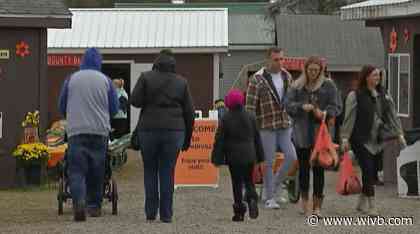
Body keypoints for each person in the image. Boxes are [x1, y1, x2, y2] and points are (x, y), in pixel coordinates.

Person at [131, 52, 194, 223]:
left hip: (148, 129)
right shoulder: (181, 82)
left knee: (150, 170)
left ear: (156, 64)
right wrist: (187, 139)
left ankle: (150, 212)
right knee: (167, 171)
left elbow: (135, 101)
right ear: (173, 66)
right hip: (174, 131)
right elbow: (189, 113)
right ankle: (166, 214)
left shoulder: (146, 77)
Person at [58, 48, 119, 221]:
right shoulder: (106, 81)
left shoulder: (71, 79)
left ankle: (79, 203)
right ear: (99, 62)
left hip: (76, 131)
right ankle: (94, 206)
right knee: (97, 169)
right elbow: (114, 108)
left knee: (76, 170)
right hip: (99, 132)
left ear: (82, 61)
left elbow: (61, 106)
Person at [340, 65, 406, 216]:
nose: (377, 78)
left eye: (378, 76)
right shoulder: (355, 95)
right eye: (374, 75)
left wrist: (399, 133)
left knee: (373, 171)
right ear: (366, 77)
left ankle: (361, 202)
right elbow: (349, 118)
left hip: (377, 138)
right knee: (368, 169)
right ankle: (372, 206)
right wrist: (345, 137)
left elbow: (392, 115)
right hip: (360, 138)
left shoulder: (384, 94)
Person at [285, 56, 341, 216]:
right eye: (310, 70)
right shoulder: (296, 86)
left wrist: (323, 112)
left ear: (321, 70)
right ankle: (304, 203)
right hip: (301, 131)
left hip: (320, 133)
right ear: (305, 69)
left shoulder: (328, 85)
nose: (313, 73)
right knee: (303, 168)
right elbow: (287, 105)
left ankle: (317, 206)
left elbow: (336, 106)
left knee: (319, 169)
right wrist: (302, 107)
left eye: (316, 70)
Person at [245, 47, 297, 209]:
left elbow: (292, 100)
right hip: (265, 126)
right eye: (276, 59)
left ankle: (273, 187)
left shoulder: (287, 76)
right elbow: (250, 107)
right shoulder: (257, 79)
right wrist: (251, 130)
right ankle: (270, 198)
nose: (280, 62)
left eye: (282, 59)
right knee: (268, 162)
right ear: (268, 60)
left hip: (285, 124)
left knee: (291, 157)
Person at [211, 89, 265, 222]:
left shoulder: (226, 118)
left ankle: (239, 212)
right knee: (249, 181)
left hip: (233, 157)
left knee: (236, 183)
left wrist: (216, 158)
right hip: (250, 155)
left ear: (228, 102)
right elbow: (257, 138)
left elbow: (220, 140)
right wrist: (261, 157)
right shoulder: (251, 116)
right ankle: (252, 198)